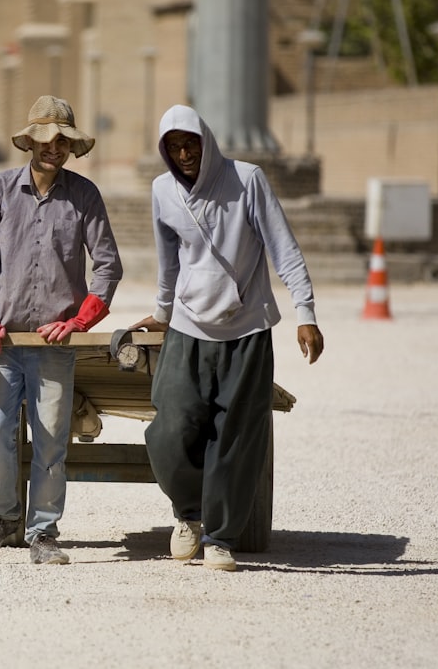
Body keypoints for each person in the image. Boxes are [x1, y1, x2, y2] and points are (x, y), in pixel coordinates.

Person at [130, 104, 325, 572]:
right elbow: (168, 261)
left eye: (191, 143)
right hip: (187, 328)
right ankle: (190, 515)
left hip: (247, 327)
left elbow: (283, 247)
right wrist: (160, 313)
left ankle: (220, 537)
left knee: (235, 436)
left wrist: (306, 312)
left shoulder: (247, 179)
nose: (184, 154)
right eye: (174, 147)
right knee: (170, 429)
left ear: (206, 141)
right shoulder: (162, 190)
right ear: (165, 152)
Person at [0, 95, 123, 565]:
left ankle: (44, 532)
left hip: (56, 345)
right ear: (29, 141)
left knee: (52, 438)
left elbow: (108, 267)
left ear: (71, 148)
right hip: (5, 343)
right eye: (46, 139)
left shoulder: (85, 196)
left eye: (63, 141)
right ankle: (3, 519)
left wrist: (80, 320)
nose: (54, 148)